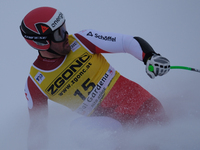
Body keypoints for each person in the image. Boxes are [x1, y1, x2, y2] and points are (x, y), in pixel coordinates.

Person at [20, 6, 170, 149]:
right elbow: (38, 129)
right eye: (59, 34)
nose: (66, 35)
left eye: (64, 28)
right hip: (112, 128)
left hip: (142, 108)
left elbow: (126, 42)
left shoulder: (83, 40)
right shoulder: (35, 83)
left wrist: (150, 56)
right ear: (41, 42)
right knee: (77, 129)